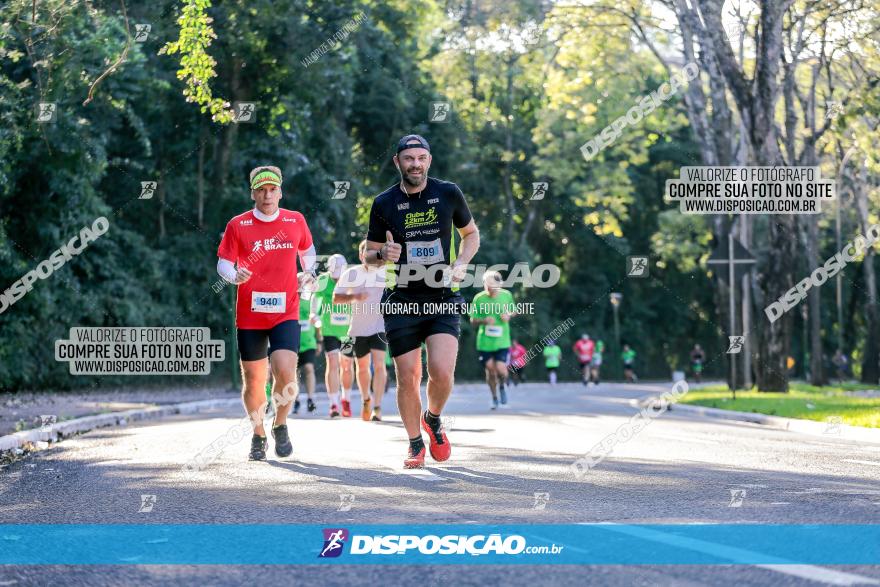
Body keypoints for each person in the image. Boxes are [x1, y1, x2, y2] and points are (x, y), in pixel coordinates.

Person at [364, 134, 480, 469]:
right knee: (409, 374)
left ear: (429, 160)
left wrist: (461, 264)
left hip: (442, 296)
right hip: (401, 300)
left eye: (422, 158)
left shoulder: (448, 193)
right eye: (409, 158)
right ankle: (415, 443)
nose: (416, 164)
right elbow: (367, 254)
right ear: (397, 162)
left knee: (442, 373)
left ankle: (433, 418)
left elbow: (470, 234)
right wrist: (382, 253)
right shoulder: (383, 203)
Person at [216, 165, 317, 461]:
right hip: (250, 314)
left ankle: (280, 423)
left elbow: (308, 251)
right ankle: (258, 434)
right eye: (261, 189)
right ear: (253, 193)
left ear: (280, 192)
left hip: (285, 310)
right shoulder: (238, 225)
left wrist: (309, 272)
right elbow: (223, 262)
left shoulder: (295, 220)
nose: (267, 194)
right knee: (254, 379)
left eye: (273, 189)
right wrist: (234, 274)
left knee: (286, 372)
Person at [333, 240, 388, 421]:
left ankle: (377, 407)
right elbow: (336, 298)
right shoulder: (351, 274)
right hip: (357, 328)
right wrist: (354, 296)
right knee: (362, 367)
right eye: (367, 252)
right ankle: (366, 399)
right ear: (360, 255)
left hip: (380, 326)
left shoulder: (387, 272)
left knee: (379, 364)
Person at [314, 254, 355, 418]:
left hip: (347, 332)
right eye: (335, 276)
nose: (337, 280)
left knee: (346, 365)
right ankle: (333, 404)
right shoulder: (323, 280)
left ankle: (346, 399)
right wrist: (313, 314)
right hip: (329, 330)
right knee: (332, 363)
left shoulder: (351, 280)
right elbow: (314, 299)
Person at [469, 270, 517, 409]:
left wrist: (508, 315)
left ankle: (502, 386)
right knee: (490, 370)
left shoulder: (506, 295)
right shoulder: (479, 298)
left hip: (502, 340)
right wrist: (483, 320)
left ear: (499, 284)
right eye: (487, 284)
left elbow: (513, 311)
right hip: (485, 342)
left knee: (501, 369)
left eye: (492, 285)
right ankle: (494, 397)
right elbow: (472, 320)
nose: (489, 288)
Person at [293, 289, 320, 414]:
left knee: (309, 368)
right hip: (292, 343)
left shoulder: (310, 301)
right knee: (294, 373)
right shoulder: (290, 300)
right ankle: (296, 400)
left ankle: (310, 399)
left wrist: (319, 341)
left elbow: (317, 321)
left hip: (309, 343)